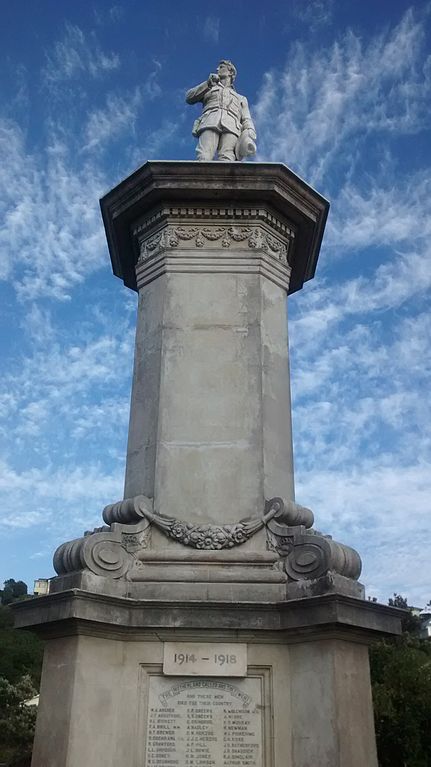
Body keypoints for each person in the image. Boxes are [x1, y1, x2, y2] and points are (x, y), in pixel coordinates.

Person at [185, 60, 257, 162]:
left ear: (230, 72)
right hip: (210, 121)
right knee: (204, 155)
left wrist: (250, 130)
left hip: (232, 127)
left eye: (221, 67)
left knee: (227, 157)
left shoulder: (241, 98)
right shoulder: (208, 87)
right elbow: (189, 97)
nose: (217, 69)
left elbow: (246, 118)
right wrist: (208, 83)